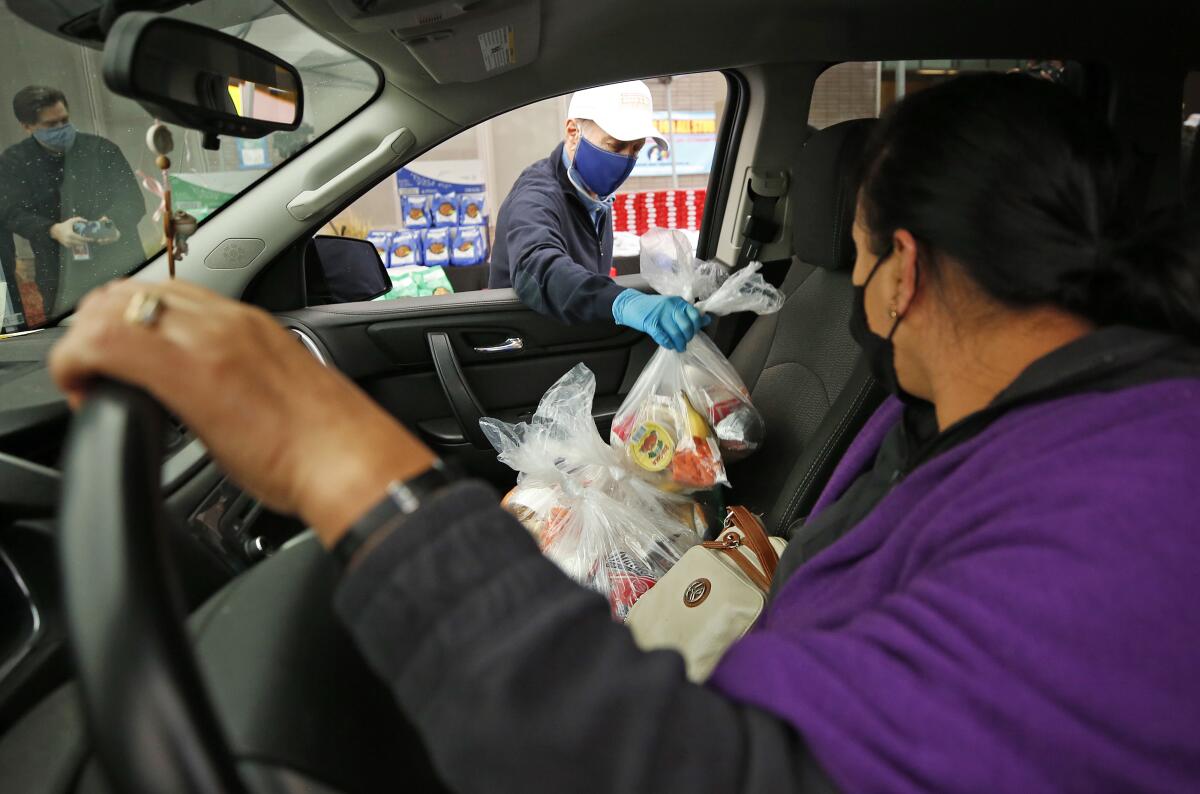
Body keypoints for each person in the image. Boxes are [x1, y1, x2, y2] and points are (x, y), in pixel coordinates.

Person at [50, 73, 1200, 792]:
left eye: (853, 250)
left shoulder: (1141, 505)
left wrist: (335, 456)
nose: (848, 282)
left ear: (901, 271)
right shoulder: (990, 420)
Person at [488, 80, 709, 352]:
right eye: (616, 146)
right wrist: (624, 303)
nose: (626, 160)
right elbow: (537, 267)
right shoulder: (536, 195)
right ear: (573, 132)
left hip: (572, 343)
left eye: (636, 149)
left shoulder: (592, 194)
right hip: (528, 349)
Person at [0, 85, 145, 318]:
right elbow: (10, 212)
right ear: (27, 127)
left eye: (64, 120)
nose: (61, 129)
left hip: (119, 262)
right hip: (59, 272)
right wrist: (53, 230)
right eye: (50, 125)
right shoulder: (14, 161)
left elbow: (132, 200)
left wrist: (110, 223)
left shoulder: (101, 149)